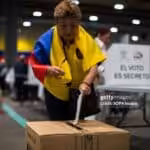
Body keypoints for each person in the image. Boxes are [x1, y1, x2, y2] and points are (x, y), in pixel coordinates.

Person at [29, 0, 106, 121]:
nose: (69, 31)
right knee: (58, 128)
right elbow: (35, 63)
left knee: (78, 127)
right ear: (56, 23)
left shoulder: (85, 37)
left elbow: (94, 64)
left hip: (78, 93)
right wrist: (48, 69)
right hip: (55, 93)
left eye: (74, 26)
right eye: (63, 26)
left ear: (79, 23)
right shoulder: (45, 39)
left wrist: (86, 83)